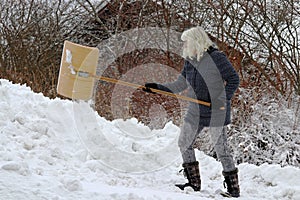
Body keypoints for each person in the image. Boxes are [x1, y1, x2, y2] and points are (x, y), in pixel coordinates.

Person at [143, 26, 240, 197]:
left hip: (217, 110)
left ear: (196, 41)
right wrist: (157, 88)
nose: (184, 46)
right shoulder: (190, 61)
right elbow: (180, 85)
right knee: (184, 142)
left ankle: (233, 189)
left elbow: (233, 79)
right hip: (196, 110)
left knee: (221, 149)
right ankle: (193, 182)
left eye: (187, 42)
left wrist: (222, 99)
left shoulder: (217, 58)